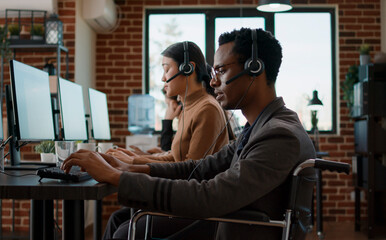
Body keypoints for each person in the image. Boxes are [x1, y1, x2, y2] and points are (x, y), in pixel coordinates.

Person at [62, 28, 316, 239]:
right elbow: (197, 168)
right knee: (125, 220)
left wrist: (117, 176)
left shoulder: (278, 135)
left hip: (230, 226)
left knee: (125, 232)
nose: (213, 81)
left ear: (254, 68)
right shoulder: (260, 127)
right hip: (228, 220)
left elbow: (209, 195)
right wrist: (127, 169)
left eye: (221, 71)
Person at [108, 41, 229, 165]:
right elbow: (175, 157)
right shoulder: (189, 107)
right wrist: (135, 159)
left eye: (167, 69)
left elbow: (191, 169)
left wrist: (134, 162)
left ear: (187, 69)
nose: (163, 78)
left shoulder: (207, 109)